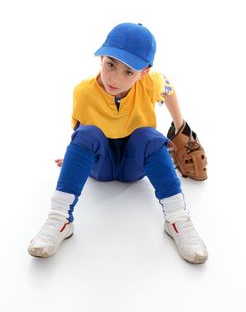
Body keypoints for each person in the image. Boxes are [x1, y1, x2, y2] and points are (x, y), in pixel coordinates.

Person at [28, 22, 208, 264]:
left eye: (129, 72)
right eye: (111, 64)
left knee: (150, 136)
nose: (115, 78)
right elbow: (80, 137)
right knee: (87, 133)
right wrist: (74, 159)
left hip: (135, 164)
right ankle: (59, 219)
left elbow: (169, 88)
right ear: (101, 58)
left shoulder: (150, 83)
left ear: (144, 72)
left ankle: (177, 219)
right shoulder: (84, 92)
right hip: (101, 167)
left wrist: (180, 126)